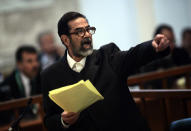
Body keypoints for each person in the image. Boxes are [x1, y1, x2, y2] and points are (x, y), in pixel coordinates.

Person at [41, 12, 170, 131]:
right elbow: (49, 119)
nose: (87, 35)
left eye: (89, 29)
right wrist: (64, 121)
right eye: (80, 31)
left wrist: (153, 46)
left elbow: (133, 55)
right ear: (65, 40)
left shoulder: (108, 55)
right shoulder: (50, 75)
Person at [0, 45, 41, 125]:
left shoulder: (42, 77)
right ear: (19, 64)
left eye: (36, 60)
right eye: (29, 61)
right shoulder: (7, 85)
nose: (35, 65)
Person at [139, 25, 191, 89]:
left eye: (173, 41)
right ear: (157, 41)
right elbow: (148, 84)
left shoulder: (180, 52)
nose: (171, 45)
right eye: (167, 41)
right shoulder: (148, 60)